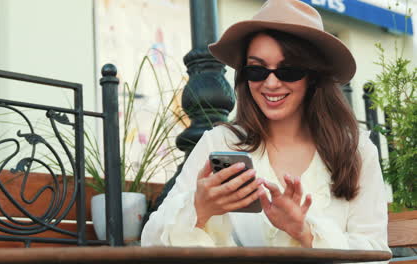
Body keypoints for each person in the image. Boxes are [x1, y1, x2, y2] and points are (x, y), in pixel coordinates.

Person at [141, 0, 390, 255]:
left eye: (288, 70)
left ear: (314, 76)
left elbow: (376, 252)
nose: (270, 83)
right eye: (257, 70)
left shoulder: (356, 150)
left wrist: (304, 231)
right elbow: (150, 240)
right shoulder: (220, 142)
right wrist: (198, 209)